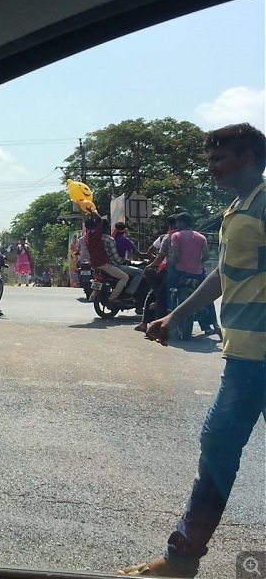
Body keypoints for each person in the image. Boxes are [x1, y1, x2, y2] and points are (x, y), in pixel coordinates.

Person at [120, 123, 266, 578]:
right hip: (244, 356)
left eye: (219, 159)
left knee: (217, 451)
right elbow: (224, 276)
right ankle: (182, 558)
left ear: (247, 157)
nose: (211, 168)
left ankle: (182, 558)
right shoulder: (239, 207)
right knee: (217, 453)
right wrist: (174, 317)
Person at [135, 215, 177, 333]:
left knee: (153, 293)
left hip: (165, 271)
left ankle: (145, 323)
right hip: (189, 271)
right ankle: (210, 326)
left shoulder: (165, 237)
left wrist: (152, 263)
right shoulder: (192, 237)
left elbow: (150, 251)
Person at [84, 212, 129, 301]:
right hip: (103, 264)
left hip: (94, 265)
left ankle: (94, 293)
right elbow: (100, 220)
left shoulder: (87, 237)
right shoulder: (98, 236)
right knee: (125, 277)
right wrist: (91, 210)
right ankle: (113, 297)